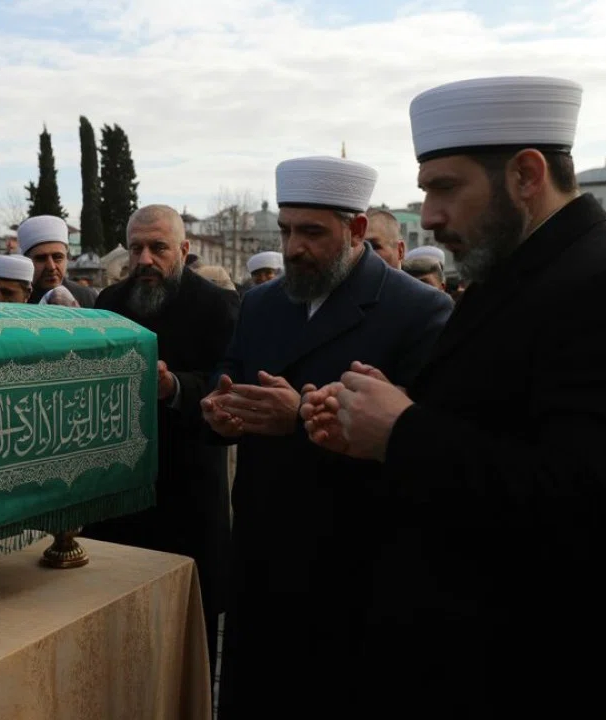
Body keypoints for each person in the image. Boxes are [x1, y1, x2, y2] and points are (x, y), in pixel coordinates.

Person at [301, 76, 606, 717]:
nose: (430, 214)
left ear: (526, 175)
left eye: (445, 188)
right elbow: (502, 421)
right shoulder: (516, 268)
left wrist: (403, 431)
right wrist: (388, 412)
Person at [204, 156, 453, 718]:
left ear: (356, 230)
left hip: (355, 564)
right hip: (263, 554)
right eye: (286, 231)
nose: (293, 248)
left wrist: (301, 415)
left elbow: (424, 444)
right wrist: (220, 412)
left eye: (312, 233)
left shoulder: (419, 311)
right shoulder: (261, 303)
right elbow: (230, 375)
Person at [82, 205, 239, 671]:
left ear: (184, 250)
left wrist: (174, 388)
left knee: (187, 646)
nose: (145, 259)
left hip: (188, 498)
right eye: (136, 249)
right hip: (121, 501)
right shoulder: (109, 303)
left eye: (158, 247)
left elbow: (228, 387)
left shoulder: (218, 307)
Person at [16, 215, 97, 307]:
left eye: (58, 257)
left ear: (67, 258)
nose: (51, 267)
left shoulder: (88, 297)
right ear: (25, 261)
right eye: (41, 258)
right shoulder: (15, 299)